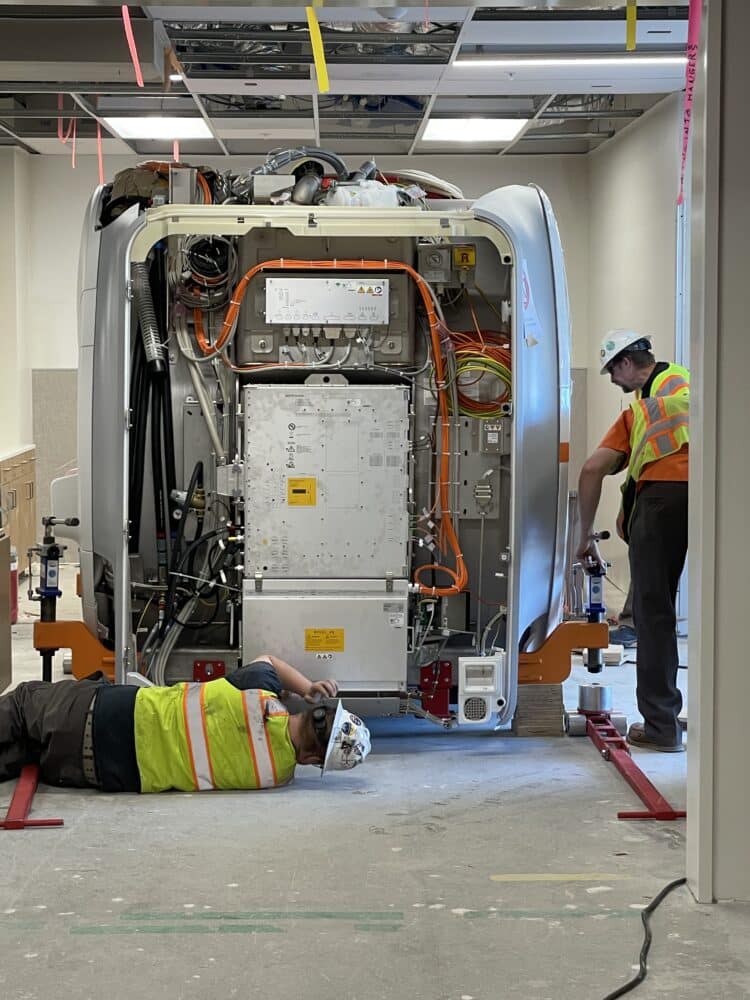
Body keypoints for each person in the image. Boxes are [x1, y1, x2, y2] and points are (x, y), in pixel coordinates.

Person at [0, 654, 371, 791]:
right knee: (24, 751)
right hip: (99, 772)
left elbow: (269, 661)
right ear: (311, 761)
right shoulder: (275, 777)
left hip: (100, 715)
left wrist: (306, 687)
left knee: (22, 705)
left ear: (318, 712)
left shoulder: (256, 693)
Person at [576, 330, 689, 752]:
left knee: (653, 612)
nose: (611, 382)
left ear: (627, 363)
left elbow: (591, 470)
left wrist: (584, 535)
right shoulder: (693, 386)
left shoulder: (643, 413)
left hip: (662, 502)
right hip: (716, 495)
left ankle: (660, 728)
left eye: (612, 372)